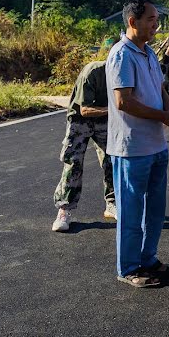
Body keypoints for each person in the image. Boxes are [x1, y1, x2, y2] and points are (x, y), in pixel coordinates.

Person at [107, 0, 169, 288]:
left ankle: (148, 259)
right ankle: (128, 268)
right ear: (133, 22)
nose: (157, 25)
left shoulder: (149, 53)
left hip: (156, 145)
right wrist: (165, 117)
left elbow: (161, 87)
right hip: (131, 147)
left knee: (155, 210)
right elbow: (123, 101)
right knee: (131, 211)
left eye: (157, 19)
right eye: (151, 20)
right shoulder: (121, 55)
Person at [51, 60, 116, 232]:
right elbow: (85, 110)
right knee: (74, 162)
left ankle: (113, 203)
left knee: (113, 161)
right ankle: (64, 210)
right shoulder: (93, 72)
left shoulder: (126, 71)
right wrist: (115, 109)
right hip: (81, 120)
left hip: (105, 120)